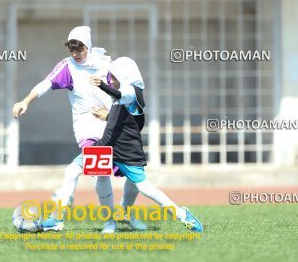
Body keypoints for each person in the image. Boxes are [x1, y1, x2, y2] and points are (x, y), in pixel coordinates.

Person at [12, 26, 119, 233]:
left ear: (88, 46)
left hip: (110, 128)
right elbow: (45, 84)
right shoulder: (68, 67)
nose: (75, 54)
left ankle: (106, 220)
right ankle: (108, 222)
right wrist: (25, 101)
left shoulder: (106, 63)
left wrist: (113, 113)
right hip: (87, 131)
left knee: (116, 177)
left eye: (79, 49)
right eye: (71, 49)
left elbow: (123, 90)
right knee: (98, 175)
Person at [90, 57, 204, 232]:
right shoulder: (124, 93)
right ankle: (112, 219)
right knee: (83, 173)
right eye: (109, 77)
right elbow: (122, 119)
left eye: (113, 76)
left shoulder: (131, 91)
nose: (110, 80)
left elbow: (121, 95)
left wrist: (101, 85)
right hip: (112, 147)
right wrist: (106, 116)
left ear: (124, 75)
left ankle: (182, 214)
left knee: (142, 186)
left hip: (127, 150)